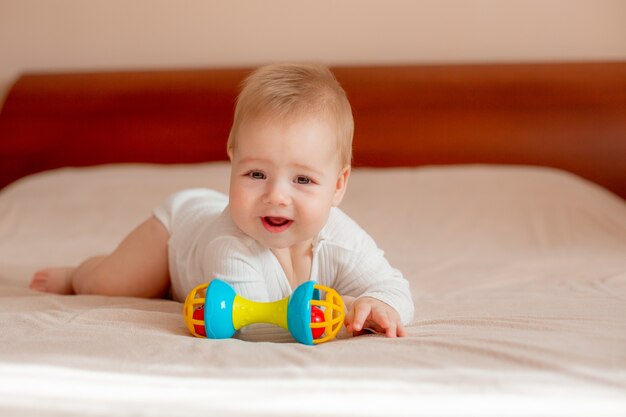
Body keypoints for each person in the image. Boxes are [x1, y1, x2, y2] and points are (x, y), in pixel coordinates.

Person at [29, 63, 414, 338]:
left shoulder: (341, 236)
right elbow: (256, 325)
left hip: (199, 231)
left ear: (338, 185)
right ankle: (76, 274)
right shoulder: (229, 242)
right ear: (232, 159)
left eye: (303, 179)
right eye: (256, 174)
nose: (276, 196)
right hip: (176, 235)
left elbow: (392, 286)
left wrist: (380, 304)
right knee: (112, 283)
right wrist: (346, 309)